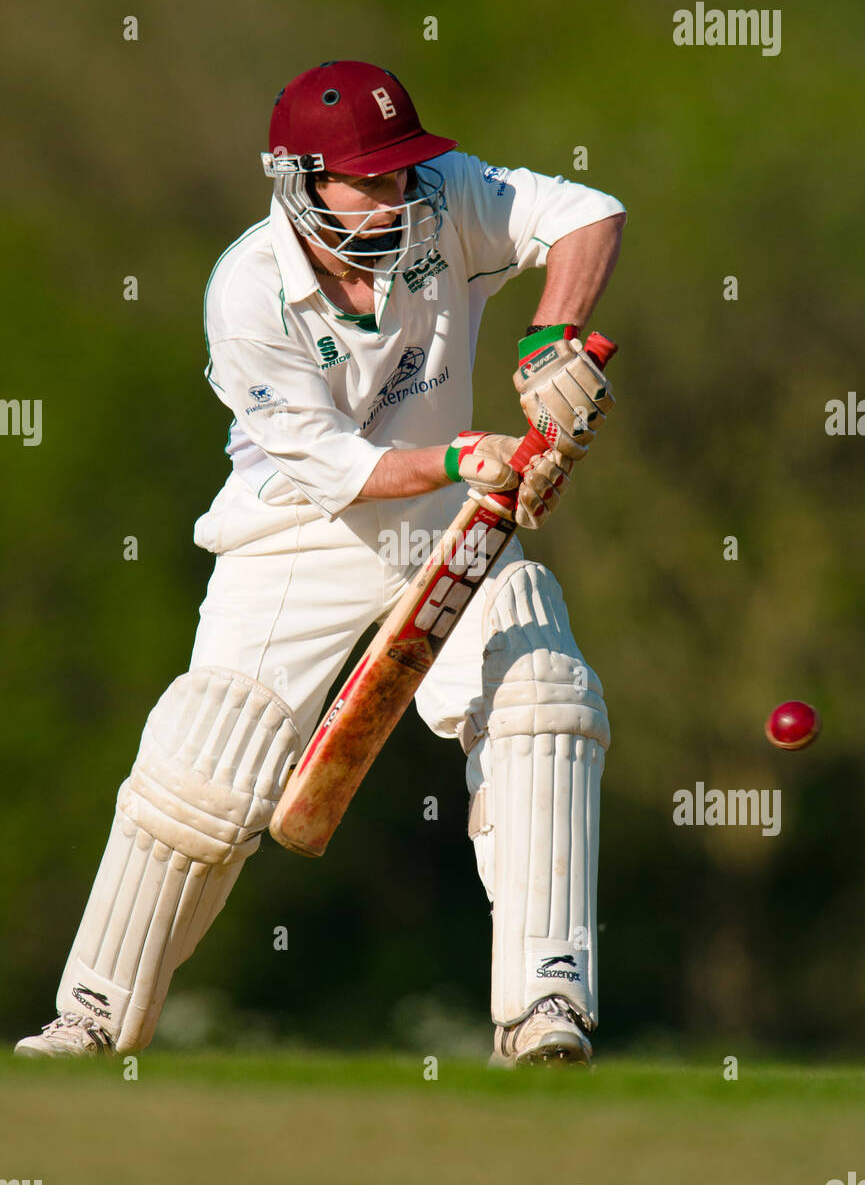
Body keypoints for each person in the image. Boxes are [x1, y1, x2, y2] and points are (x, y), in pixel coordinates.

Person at [15, 60, 625, 1066]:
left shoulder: (446, 197)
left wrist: (553, 335)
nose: (395, 199)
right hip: (296, 531)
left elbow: (589, 214)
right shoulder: (248, 292)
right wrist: (474, 455)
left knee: (542, 696)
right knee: (206, 767)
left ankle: (544, 1009)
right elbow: (339, 468)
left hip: (451, 517)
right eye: (367, 182)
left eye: (400, 176)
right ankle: (90, 1019)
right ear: (299, 178)